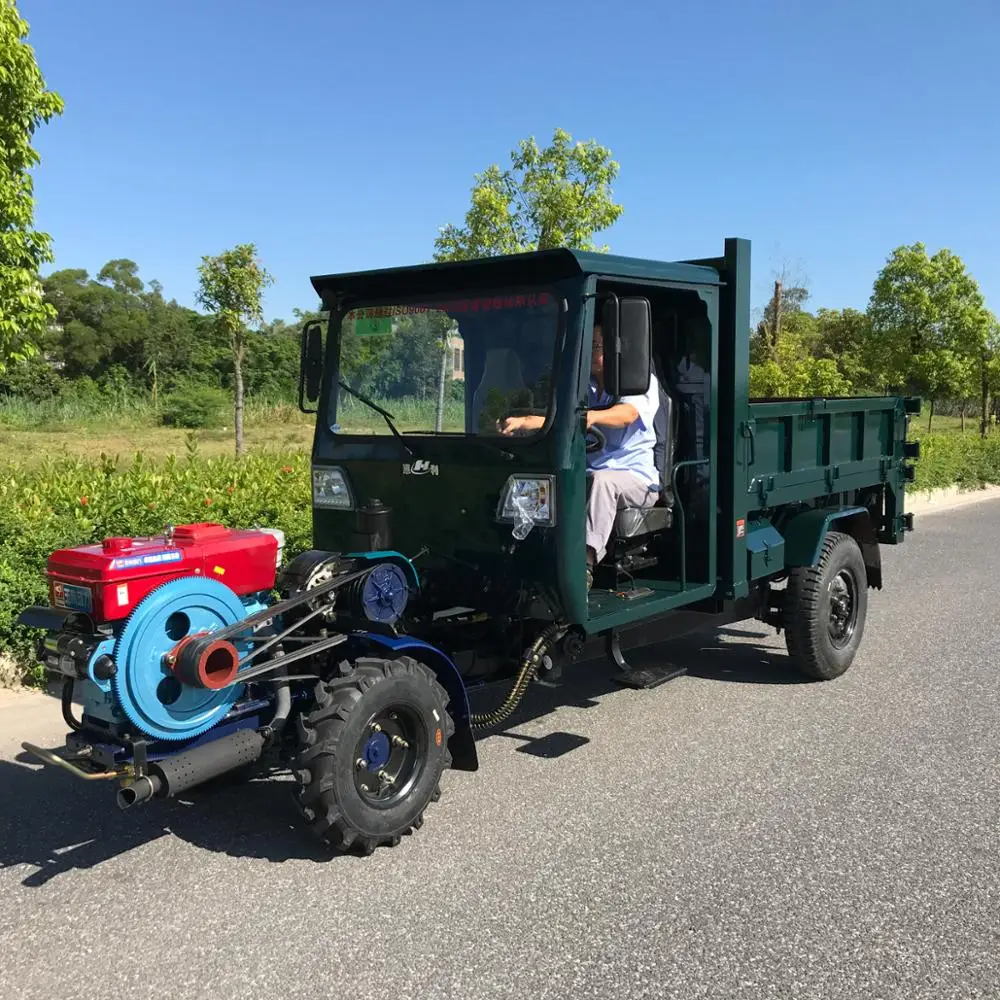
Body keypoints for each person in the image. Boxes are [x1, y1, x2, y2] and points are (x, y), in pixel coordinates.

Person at [498, 318, 662, 589]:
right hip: (586, 472)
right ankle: (520, 554)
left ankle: (583, 565)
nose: (591, 351)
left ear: (614, 350)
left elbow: (626, 415)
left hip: (637, 480)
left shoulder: (640, 381)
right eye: (589, 345)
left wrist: (589, 418)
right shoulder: (584, 387)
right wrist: (525, 421)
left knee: (602, 481)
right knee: (539, 479)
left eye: (596, 345)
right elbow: (560, 417)